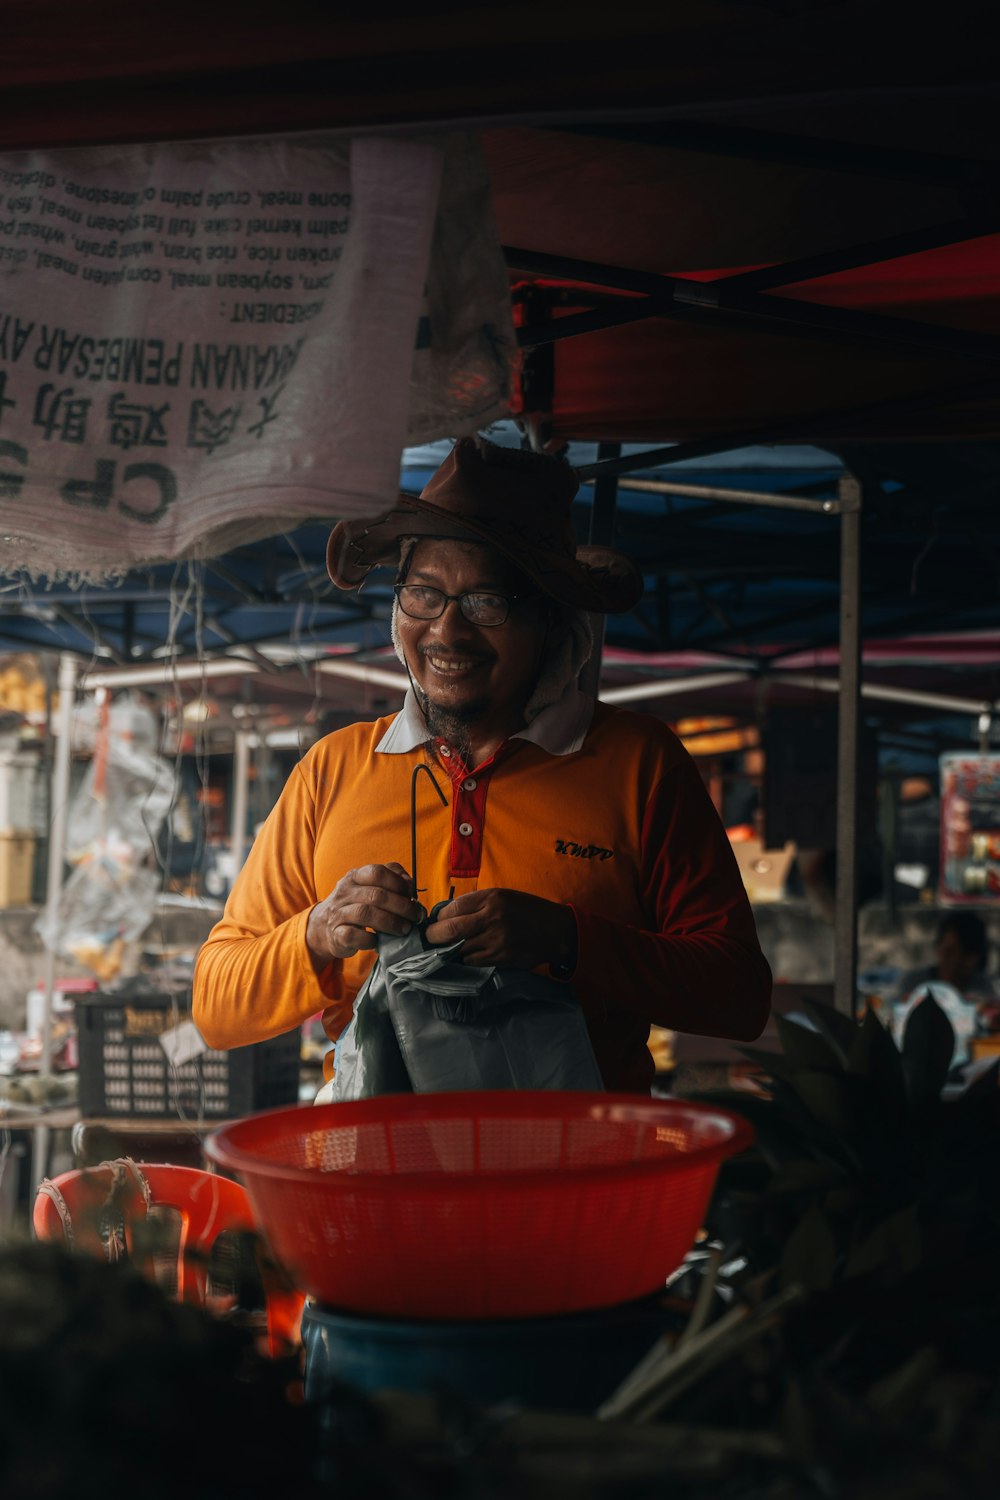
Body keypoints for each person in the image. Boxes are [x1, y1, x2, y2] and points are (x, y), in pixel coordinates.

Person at [192, 436, 772, 1093]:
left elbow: (738, 995)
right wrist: (318, 932)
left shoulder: (639, 762)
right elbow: (216, 1006)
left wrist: (568, 940)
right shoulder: (335, 768)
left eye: (487, 603)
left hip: (570, 1177)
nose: (447, 632)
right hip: (376, 1177)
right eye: (424, 595)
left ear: (553, 620)